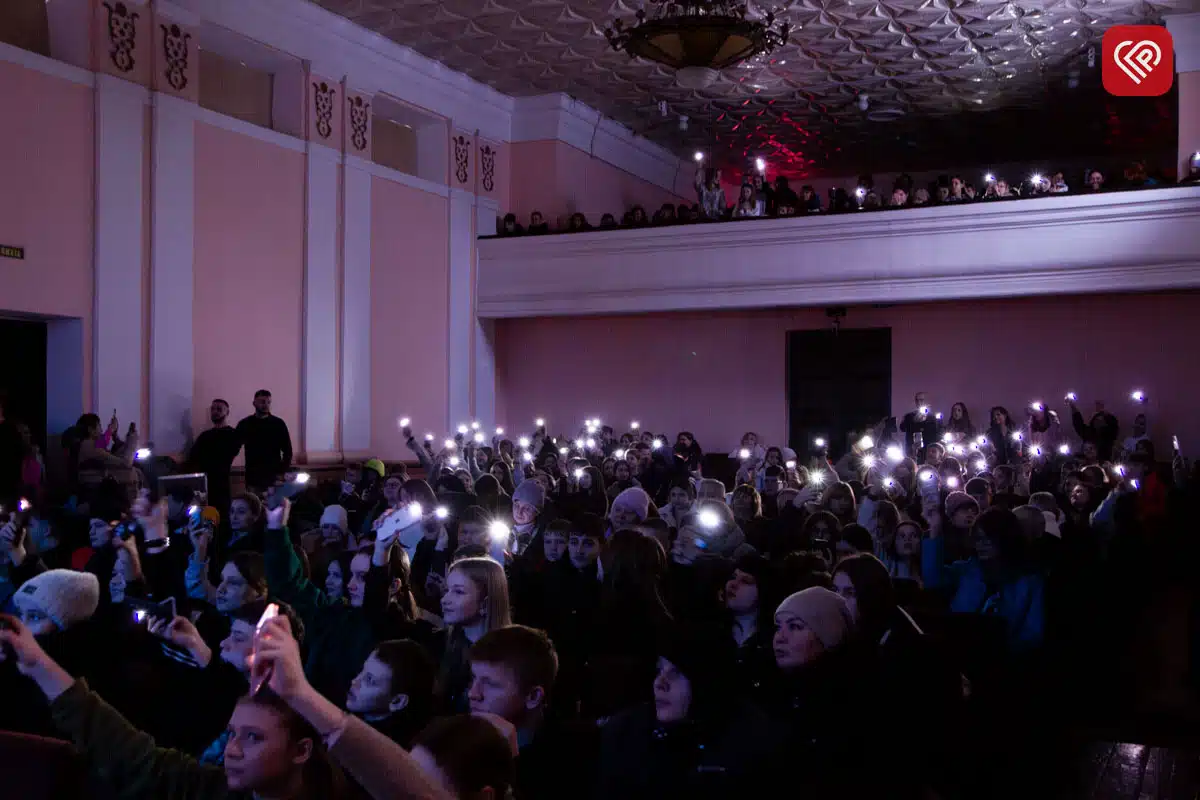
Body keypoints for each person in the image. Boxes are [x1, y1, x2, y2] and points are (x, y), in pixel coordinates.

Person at [345, 639, 436, 749]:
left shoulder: (382, 749)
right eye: (362, 670)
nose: (354, 681)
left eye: (369, 680)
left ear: (397, 702)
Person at [187, 398, 242, 517]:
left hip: (222, 483)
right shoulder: (205, 436)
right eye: (212, 409)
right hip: (204, 484)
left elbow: (227, 455)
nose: (215, 412)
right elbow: (193, 457)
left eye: (219, 409)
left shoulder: (233, 434)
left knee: (222, 516)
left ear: (227, 412)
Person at [235, 390, 293, 492]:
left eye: (268, 402)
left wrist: (282, 472)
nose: (266, 405)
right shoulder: (245, 424)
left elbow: (288, 451)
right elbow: (234, 446)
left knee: (275, 502)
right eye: (262, 402)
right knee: (254, 502)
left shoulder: (278, 424)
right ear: (254, 403)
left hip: (274, 478)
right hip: (253, 478)